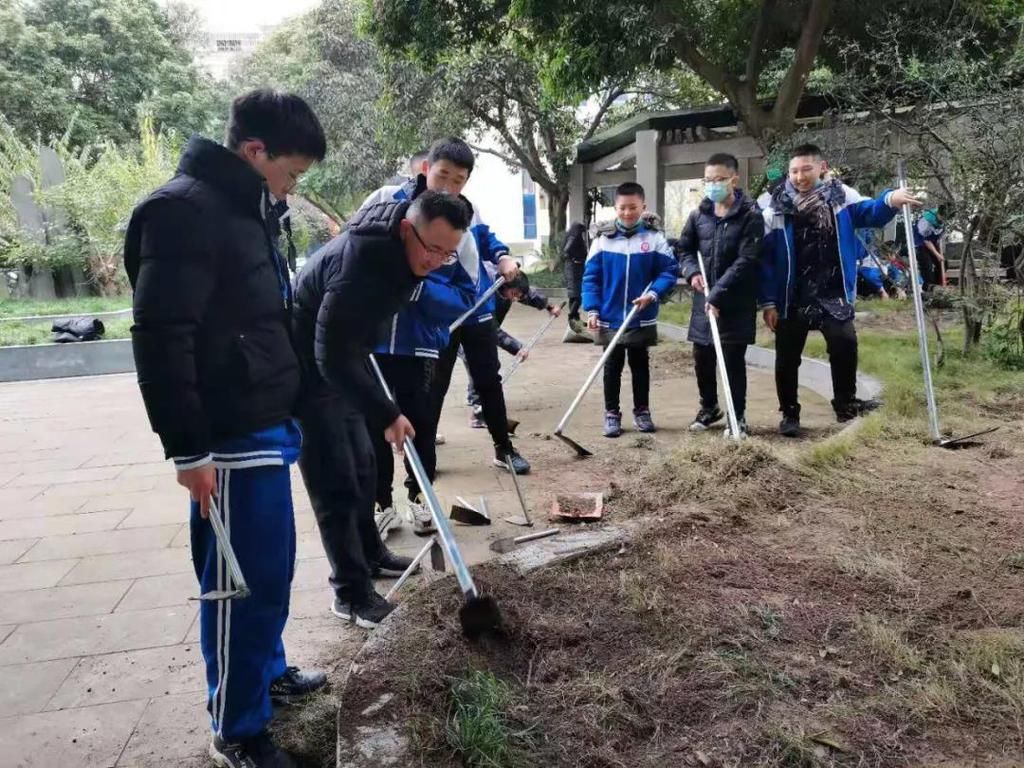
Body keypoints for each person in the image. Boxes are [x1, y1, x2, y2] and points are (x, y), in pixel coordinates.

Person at [125, 89, 328, 768]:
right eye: (291, 173)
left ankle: (267, 675)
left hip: (267, 421)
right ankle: (237, 730)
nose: (293, 188)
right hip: (228, 437)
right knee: (239, 585)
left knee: (270, 572)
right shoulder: (182, 212)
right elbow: (161, 337)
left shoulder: (248, 210)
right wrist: (186, 449)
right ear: (254, 152)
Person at [292, 191, 471, 629]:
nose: (436, 261)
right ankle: (350, 594)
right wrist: (387, 411)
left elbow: (350, 344)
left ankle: (371, 554)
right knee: (336, 480)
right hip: (308, 372)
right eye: (432, 249)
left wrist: (381, 407)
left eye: (448, 254)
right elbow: (329, 354)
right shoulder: (361, 265)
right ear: (408, 229)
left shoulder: (401, 255)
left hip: (346, 359)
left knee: (364, 466)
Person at [760, 144, 921, 436]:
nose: (799, 177)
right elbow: (767, 260)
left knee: (845, 344)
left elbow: (870, 213)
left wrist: (891, 199)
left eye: (806, 169)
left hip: (832, 291)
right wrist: (768, 301)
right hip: (792, 294)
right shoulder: (774, 206)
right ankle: (790, 413)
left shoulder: (841, 197)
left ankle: (846, 403)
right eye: (794, 171)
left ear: (822, 167)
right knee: (786, 357)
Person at [370, 210, 475, 538]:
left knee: (421, 427)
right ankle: (381, 504)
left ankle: (420, 497)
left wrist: (420, 291)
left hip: (421, 348)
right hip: (374, 346)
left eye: (458, 180)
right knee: (373, 427)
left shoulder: (462, 239)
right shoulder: (395, 228)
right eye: (442, 176)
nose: (448, 185)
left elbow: (465, 297)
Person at [583, 182, 679, 437]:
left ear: (643, 207)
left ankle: (642, 411)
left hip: (641, 315)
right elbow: (591, 279)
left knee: (640, 364)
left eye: (633, 207)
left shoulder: (653, 238)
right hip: (609, 316)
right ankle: (611, 413)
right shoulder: (603, 240)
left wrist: (653, 293)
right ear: (615, 208)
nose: (627, 213)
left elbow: (669, 271)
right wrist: (592, 309)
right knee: (611, 365)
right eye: (622, 208)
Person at [678, 153, 763, 436]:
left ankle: (736, 416)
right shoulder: (698, 215)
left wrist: (718, 294)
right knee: (702, 356)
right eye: (708, 180)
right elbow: (685, 249)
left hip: (735, 302)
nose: (713, 185)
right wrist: (691, 272)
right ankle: (709, 408)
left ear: (733, 180)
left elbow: (747, 260)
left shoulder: (750, 215)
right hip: (704, 300)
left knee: (732, 360)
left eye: (719, 180)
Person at [466, 269, 560, 427]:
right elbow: (493, 331)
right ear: (504, 287)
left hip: (486, 332)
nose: (516, 298)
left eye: (518, 294)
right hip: (468, 332)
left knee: (486, 366)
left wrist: (548, 306)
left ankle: (476, 398)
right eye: (514, 293)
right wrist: (516, 348)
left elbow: (528, 295)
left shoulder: (509, 288)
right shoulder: (487, 294)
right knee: (481, 365)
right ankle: (478, 411)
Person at [562, 221, 590, 341]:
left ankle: (575, 318)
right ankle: (572, 317)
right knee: (577, 296)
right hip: (574, 269)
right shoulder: (574, 236)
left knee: (574, 295)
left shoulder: (572, 235)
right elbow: (567, 250)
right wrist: (575, 260)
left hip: (574, 268)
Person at [914, 208, 946, 289]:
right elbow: (927, 241)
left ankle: (938, 286)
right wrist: (938, 255)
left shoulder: (942, 222)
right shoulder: (926, 222)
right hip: (921, 244)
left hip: (933, 243)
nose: (943, 219)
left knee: (943, 264)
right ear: (938, 214)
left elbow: (938, 236)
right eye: (942, 217)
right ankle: (928, 287)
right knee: (927, 265)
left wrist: (939, 250)